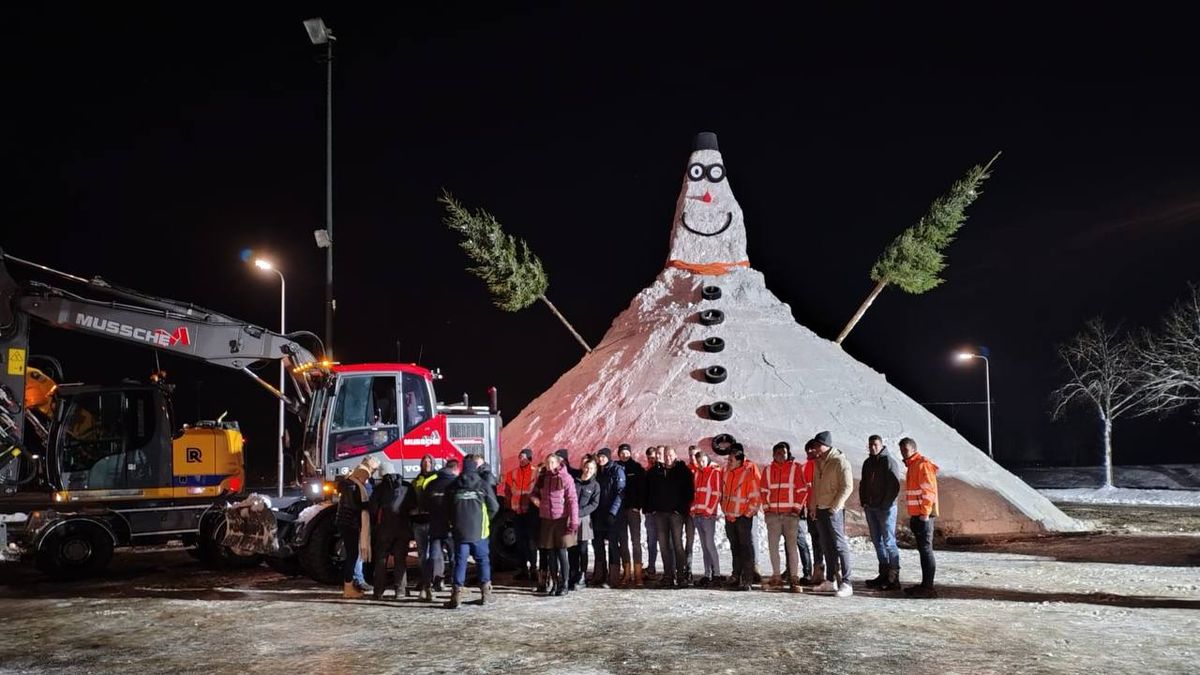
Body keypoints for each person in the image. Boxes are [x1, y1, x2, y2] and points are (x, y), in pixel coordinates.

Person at [444, 454, 501, 609]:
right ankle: (485, 594)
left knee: (460, 562)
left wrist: (453, 521)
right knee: (483, 560)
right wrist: (486, 518)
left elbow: (447, 508)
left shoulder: (453, 486)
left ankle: (456, 595)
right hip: (479, 530)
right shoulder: (482, 484)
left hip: (460, 531)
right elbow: (494, 506)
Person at [810, 431, 854, 597]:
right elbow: (815, 486)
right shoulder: (818, 462)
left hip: (833, 510)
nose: (814, 449)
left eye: (816, 446)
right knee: (826, 545)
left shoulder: (840, 461)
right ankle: (830, 580)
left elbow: (847, 486)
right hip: (820, 508)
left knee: (839, 545)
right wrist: (813, 506)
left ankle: (847, 582)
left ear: (825, 445)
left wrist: (835, 506)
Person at [645, 446, 693, 588]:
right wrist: (651, 508)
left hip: (676, 514)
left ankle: (681, 575)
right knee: (664, 545)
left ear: (676, 455)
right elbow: (648, 490)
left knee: (677, 545)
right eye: (665, 455)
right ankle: (668, 575)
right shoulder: (655, 471)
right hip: (660, 513)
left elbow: (689, 492)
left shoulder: (683, 471)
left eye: (670, 455)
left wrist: (681, 510)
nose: (668, 458)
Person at [532, 451, 579, 596]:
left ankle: (564, 584)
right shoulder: (543, 477)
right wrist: (537, 502)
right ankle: (554, 583)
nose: (550, 465)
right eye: (548, 463)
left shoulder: (566, 478)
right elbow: (533, 493)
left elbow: (572, 500)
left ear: (558, 463)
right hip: (547, 519)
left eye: (552, 462)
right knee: (550, 553)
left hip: (561, 519)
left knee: (561, 552)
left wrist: (574, 521)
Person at [860, 434, 902, 591]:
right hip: (871, 507)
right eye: (870, 445)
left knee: (889, 541)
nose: (872, 447)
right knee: (877, 541)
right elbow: (864, 483)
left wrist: (885, 504)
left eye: (875, 444)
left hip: (885, 508)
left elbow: (894, 486)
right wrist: (864, 500)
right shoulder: (867, 463)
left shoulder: (889, 462)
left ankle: (894, 576)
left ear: (882, 445)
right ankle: (883, 573)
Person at [762, 441, 805, 593]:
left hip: (790, 516)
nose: (781, 455)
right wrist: (767, 511)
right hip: (773, 516)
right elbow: (763, 491)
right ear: (773, 454)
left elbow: (802, 491)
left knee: (792, 547)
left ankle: (794, 578)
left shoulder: (796, 468)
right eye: (778, 453)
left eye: (784, 453)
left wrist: (796, 510)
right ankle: (776, 577)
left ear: (788, 454)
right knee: (773, 547)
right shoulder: (767, 470)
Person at [899, 437, 940, 597]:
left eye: (906, 450)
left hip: (924, 516)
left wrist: (924, 514)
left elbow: (928, 491)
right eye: (902, 451)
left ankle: (928, 587)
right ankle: (925, 585)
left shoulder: (922, 464)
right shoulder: (913, 465)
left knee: (926, 550)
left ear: (914, 449)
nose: (904, 454)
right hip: (917, 515)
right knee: (923, 551)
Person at [335, 456, 380, 598]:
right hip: (350, 524)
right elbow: (354, 506)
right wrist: (369, 505)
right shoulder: (352, 486)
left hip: (350, 523)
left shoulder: (353, 484)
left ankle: (353, 583)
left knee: (354, 554)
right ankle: (348, 587)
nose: (369, 476)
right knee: (353, 555)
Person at [369, 462, 414, 600]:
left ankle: (378, 591)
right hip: (403, 528)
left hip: (385, 529)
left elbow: (373, 509)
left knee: (381, 559)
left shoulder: (380, 488)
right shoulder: (407, 486)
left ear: (382, 473)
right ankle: (400, 590)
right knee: (400, 560)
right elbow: (413, 506)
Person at [720, 446, 761, 591]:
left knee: (745, 548)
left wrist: (747, 514)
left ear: (739, 461)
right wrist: (725, 510)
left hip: (743, 518)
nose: (728, 462)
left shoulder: (748, 474)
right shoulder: (726, 473)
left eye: (731, 460)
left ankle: (747, 579)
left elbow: (756, 498)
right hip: (729, 516)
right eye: (728, 459)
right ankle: (735, 575)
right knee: (734, 548)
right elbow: (723, 493)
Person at [422, 459, 461, 602]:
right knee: (455, 558)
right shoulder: (455, 484)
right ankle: (455, 588)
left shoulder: (431, 484)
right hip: (451, 528)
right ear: (456, 469)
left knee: (433, 557)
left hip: (435, 526)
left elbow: (424, 505)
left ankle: (428, 587)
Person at [500, 448, 538, 580]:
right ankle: (523, 569)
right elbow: (508, 492)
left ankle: (534, 568)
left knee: (532, 541)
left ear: (530, 458)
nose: (521, 459)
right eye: (520, 457)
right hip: (517, 512)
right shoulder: (513, 473)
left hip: (531, 512)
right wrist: (509, 508)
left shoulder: (536, 472)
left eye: (524, 457)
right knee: (520, 542)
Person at [592, 448, 626, 588]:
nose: (601, 459)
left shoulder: (616, 470)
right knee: (598, 545)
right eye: (599, 457)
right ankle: (600, 575)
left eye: (603, 457)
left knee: (613, 545)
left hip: (612, 515)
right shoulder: (597, 471)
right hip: (598, 513)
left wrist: (613, 512)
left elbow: (620, 493)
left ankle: (613, 578)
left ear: (608, 457)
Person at [690, 449, 722, 586]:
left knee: (710, 544)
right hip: (698, 514)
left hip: (708, 516)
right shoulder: (697, 473)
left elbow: (716, 493)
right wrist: (693, 508)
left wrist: (709, 510)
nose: (701, 464)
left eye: (702, 461)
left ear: (707, 459)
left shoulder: (714, 472)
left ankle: (717, 574)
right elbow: (695, 493)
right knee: (704, 546)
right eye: (698, 462)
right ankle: (707, 573)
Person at [410, 454, 440, 597]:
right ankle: (425, 580)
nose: (427, 464)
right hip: (418, 521)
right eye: (424, 461)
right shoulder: (416, 480)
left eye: (429, 461)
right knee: (422, 555)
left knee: (433, 554)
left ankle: (436, 580)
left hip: (432, 520)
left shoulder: (436, 479)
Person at [569, 458, 600, 590]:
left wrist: (580, 513)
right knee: (572, 548)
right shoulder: (574, 481)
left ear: (594, 471)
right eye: (587, 467)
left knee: (582, 549)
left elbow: (594, 504)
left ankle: (582, 576)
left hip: (584, 520)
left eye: (592, 469)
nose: (588, 471)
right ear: (583, 467)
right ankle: (572, 573)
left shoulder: (595, 486)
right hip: (570, 519)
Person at [618, 443, 646, 587]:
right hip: (620, 510)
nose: (624, 455)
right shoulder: (616, 467)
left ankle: (638, 574)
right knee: (623, 541)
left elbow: (643, 489)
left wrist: (638, 506)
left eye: (626, 452)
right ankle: (627, 572)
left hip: (633, 510)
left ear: (630, 453)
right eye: (621, 453)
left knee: (636, 541)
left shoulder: (636, 468)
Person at [799, 441, 821, 586]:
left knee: (826, 541)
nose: (810, 453)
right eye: (808, 451)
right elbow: (802, 489)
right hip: (810, 509)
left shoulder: (823, 466)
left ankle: (829, 572)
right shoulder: (804, 467)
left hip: (823, 508)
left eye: (812, 450)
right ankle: (817, 571)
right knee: (815, 540)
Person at [642, 446, 663, 580]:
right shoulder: (646, 472)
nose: (652, 460)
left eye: (654, 458)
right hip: (649, 512)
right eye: (649, 458)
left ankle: (670, 569)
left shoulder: (663, 471)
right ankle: (651, 567)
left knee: (664, 541)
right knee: (651, 541)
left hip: (660, 512)